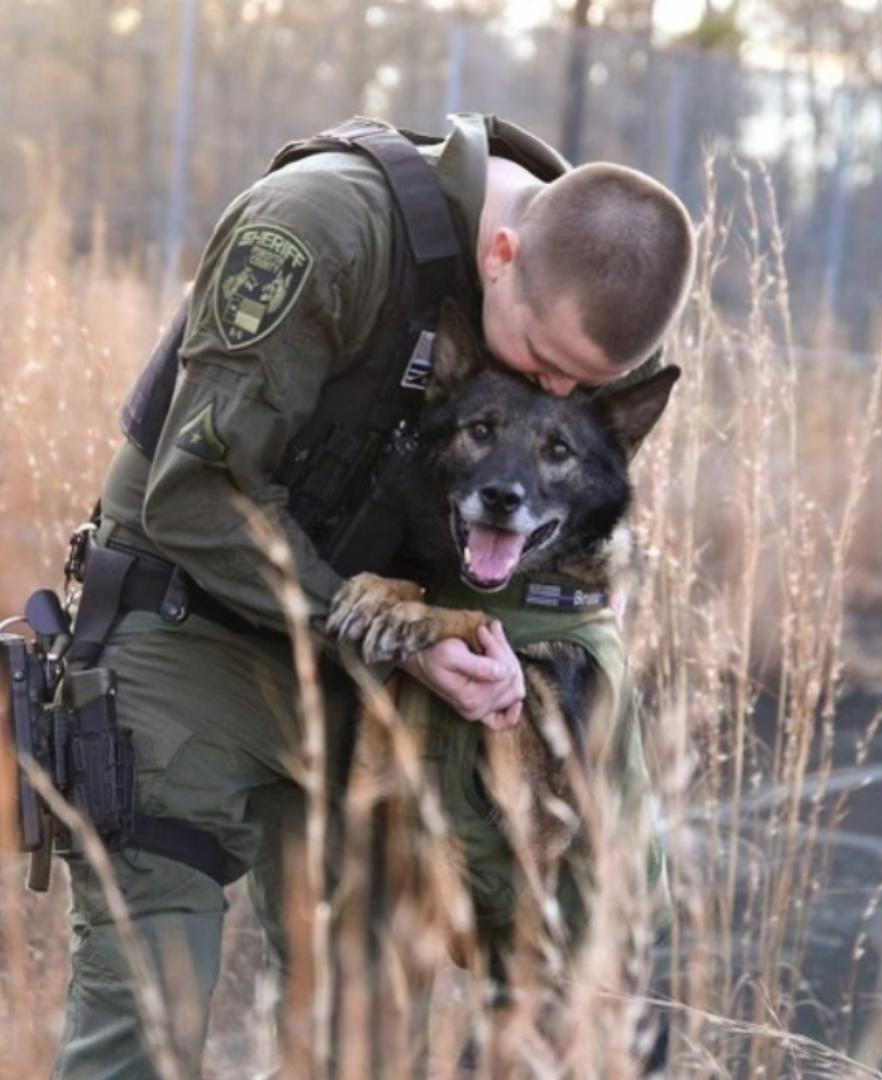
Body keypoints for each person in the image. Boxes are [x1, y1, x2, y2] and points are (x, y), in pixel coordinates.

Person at [55, 113, 695, 1077]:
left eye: (576, 388)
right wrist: (384, 622)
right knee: (146, 1025)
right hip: (191, 640)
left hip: (370, 693)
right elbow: (188, 498)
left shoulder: (599, 298)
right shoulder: (323, 229)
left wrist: (498, 662)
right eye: (542, 356)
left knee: (364, 1040)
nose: (547, 388)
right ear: (505, 253)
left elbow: (564, 554)